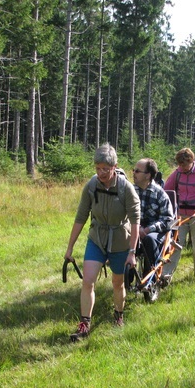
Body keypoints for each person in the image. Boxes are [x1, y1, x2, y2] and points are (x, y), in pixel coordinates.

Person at [64, 143, 140, 342]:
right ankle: (84, 324)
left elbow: (135, 221)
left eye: (105, 169)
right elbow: (81, 216)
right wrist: (70, 247)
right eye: (97, 168)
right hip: (97, 239)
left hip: (120, 242)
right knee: (87, 281)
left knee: (117, 282)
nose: (101, 173)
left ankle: (118, 316)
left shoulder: (126, 188)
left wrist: (132, 252)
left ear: (115, 166)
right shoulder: (91, 186)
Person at [163, 148, 195, 280]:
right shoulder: (177, 173)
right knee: (174, 245)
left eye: (185, 164)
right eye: (180, 165)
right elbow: (166, 191)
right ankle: (166, 276)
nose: (183, 167)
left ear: (191, 161)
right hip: (180, 215)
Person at [132, 158, 174, 275]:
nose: (133, 173)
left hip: (155, 232)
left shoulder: (160, 194)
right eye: (134, 170)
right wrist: (137, 228)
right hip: (135, 227)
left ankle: (150, 278)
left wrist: (147, 229)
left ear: (148, 175)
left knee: (149, 239)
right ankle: (126, 278)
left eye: (137, 171)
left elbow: (167, 220)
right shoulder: (130, 191)